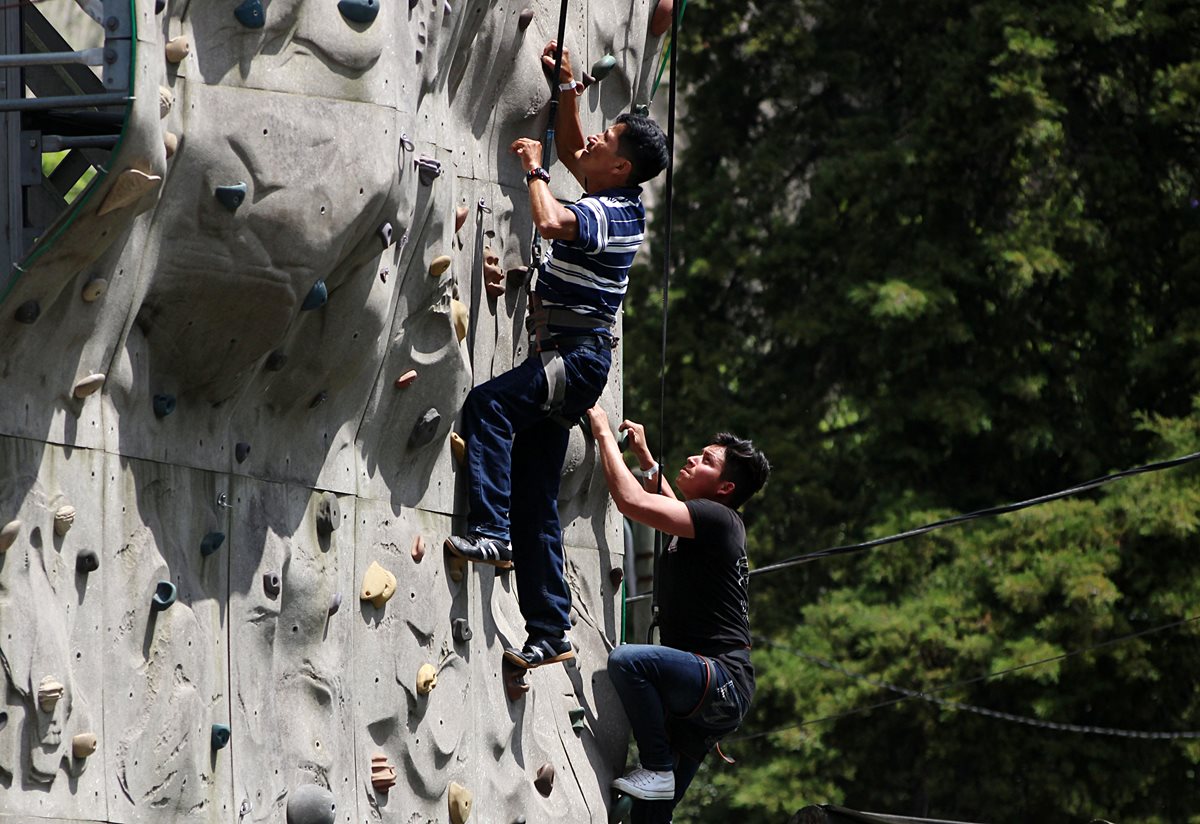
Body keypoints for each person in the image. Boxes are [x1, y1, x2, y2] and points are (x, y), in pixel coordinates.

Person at [443, 41, 669, 670]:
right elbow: (576, 148)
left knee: (488, 408)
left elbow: (551, 223)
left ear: (621, 169)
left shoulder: (618, 214)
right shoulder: (610, 188)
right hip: (568, 355)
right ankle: (550, 628)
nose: (594, 139)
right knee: (538, 491)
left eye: (608, 138)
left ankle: (487, 533)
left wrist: (535, 169)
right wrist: (567, 88)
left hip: (577, 357)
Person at [585, 408, 769, 823]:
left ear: (725, 487)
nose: (691, 458)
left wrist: (601, 432)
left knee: (628, 662)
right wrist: (647, 460)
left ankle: (656, 767)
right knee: (651, 818)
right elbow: (664, 501)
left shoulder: (717, 518)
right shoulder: (709, 525)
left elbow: (632, 502)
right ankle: (659, 773)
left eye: (707, 460)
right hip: (714, 698)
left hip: (719, 680)